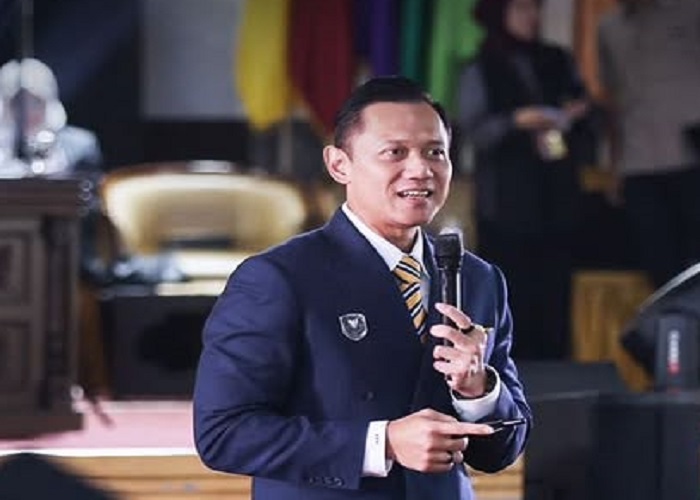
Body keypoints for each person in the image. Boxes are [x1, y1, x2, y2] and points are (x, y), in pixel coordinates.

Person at [193, 76, 530, 500]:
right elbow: (223, 432)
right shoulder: (279, 278)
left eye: (435, 152)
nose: (421, 169)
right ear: (339, 164)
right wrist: (382, 443)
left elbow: (503, 450)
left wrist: (478, 390)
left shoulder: (478, 279)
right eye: (395, 152)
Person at [457, 0, 595, 360]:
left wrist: (573, 114)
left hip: (557, 196)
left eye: (535, 9)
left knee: (555, 290)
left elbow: (583, 109)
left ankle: (556, 369)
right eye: (521, 10)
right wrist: (518, 121)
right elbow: (476, 130)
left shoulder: (556, 59)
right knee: (511, 289)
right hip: (506, 202)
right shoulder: (481, 66)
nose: (532, 18)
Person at [597, 0, 700, 288]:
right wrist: (614, 165)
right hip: (639, 164)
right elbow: (612, 100)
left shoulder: (691, 11)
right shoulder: (609, 28)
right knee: (659, 266)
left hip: (690, 159)